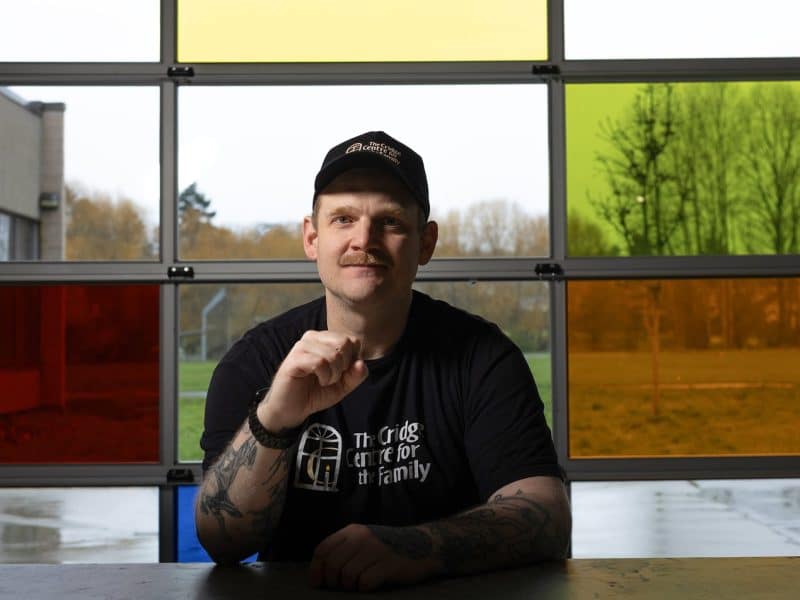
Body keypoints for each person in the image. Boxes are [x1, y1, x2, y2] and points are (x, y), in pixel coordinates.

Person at [195, 131, 571, 592]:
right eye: (343, 219)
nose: (364, 239)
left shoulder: (482, 357)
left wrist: (419, 548)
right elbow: (221, 540)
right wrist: (272, 420)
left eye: (390, 221)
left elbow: (548, 517)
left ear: (426, 243)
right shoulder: (255, 361)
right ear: (312, 237)